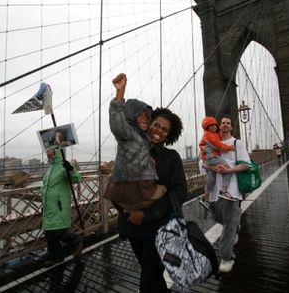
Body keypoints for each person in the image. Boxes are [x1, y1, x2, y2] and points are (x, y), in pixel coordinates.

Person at [116, 107, 186, 293]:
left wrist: (146, 213)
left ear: (168, 136)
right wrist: (127, 211)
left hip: (161, 226)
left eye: (165, 130)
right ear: (149, 124)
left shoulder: (171, 158)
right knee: (152, 275)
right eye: (156, 125)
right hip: (133, 226)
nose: (159, 130)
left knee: (149, 275)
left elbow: (179, 192)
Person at [104, 73, 166, 211]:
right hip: (131, 185)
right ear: (131, 116)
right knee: (163, 192)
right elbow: (117, 123)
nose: (145, 118)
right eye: (139, 115)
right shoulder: (127, 133)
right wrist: (120, 92)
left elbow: (152, 141)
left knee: (161, 192)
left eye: (147, 116)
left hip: (141, 183)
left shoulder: (142, 137)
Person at [200, 115, 250, 273]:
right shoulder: (212, 140)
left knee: (228, 225)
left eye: (229, 123)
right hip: (215, 191)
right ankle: (235, 225)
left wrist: (229, 170)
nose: (226, 125)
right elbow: (201, 163)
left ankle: (226, 257)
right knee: (218, 218)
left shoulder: (237, 143)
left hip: (231, 190)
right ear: (218, 125)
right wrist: (211, 168)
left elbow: (245, 165)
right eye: (223, 123)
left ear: (231, 127)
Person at [41, 148, 82, 264]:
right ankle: (55, 256)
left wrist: (71, 169)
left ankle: (75, 240)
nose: (48, 154)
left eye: (51, 151)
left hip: (59, 206)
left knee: (58, 232)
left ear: (57, 153)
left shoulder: (63, 166)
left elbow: (77, 178)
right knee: (49, 232)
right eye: (47, 152)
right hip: (48, 206)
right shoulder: (50, 168)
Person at [199, 116, 234, 198]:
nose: (213, 127)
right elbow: (217, 145)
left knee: (211, 179)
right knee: (228, 169)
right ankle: (224, 189)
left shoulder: (213, 135)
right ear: (207, 128)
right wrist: (230, 147)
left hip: (208, 159)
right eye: (210, 126)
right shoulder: (209, 135)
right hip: (213, 157)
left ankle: (206, 194)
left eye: (214, 125)